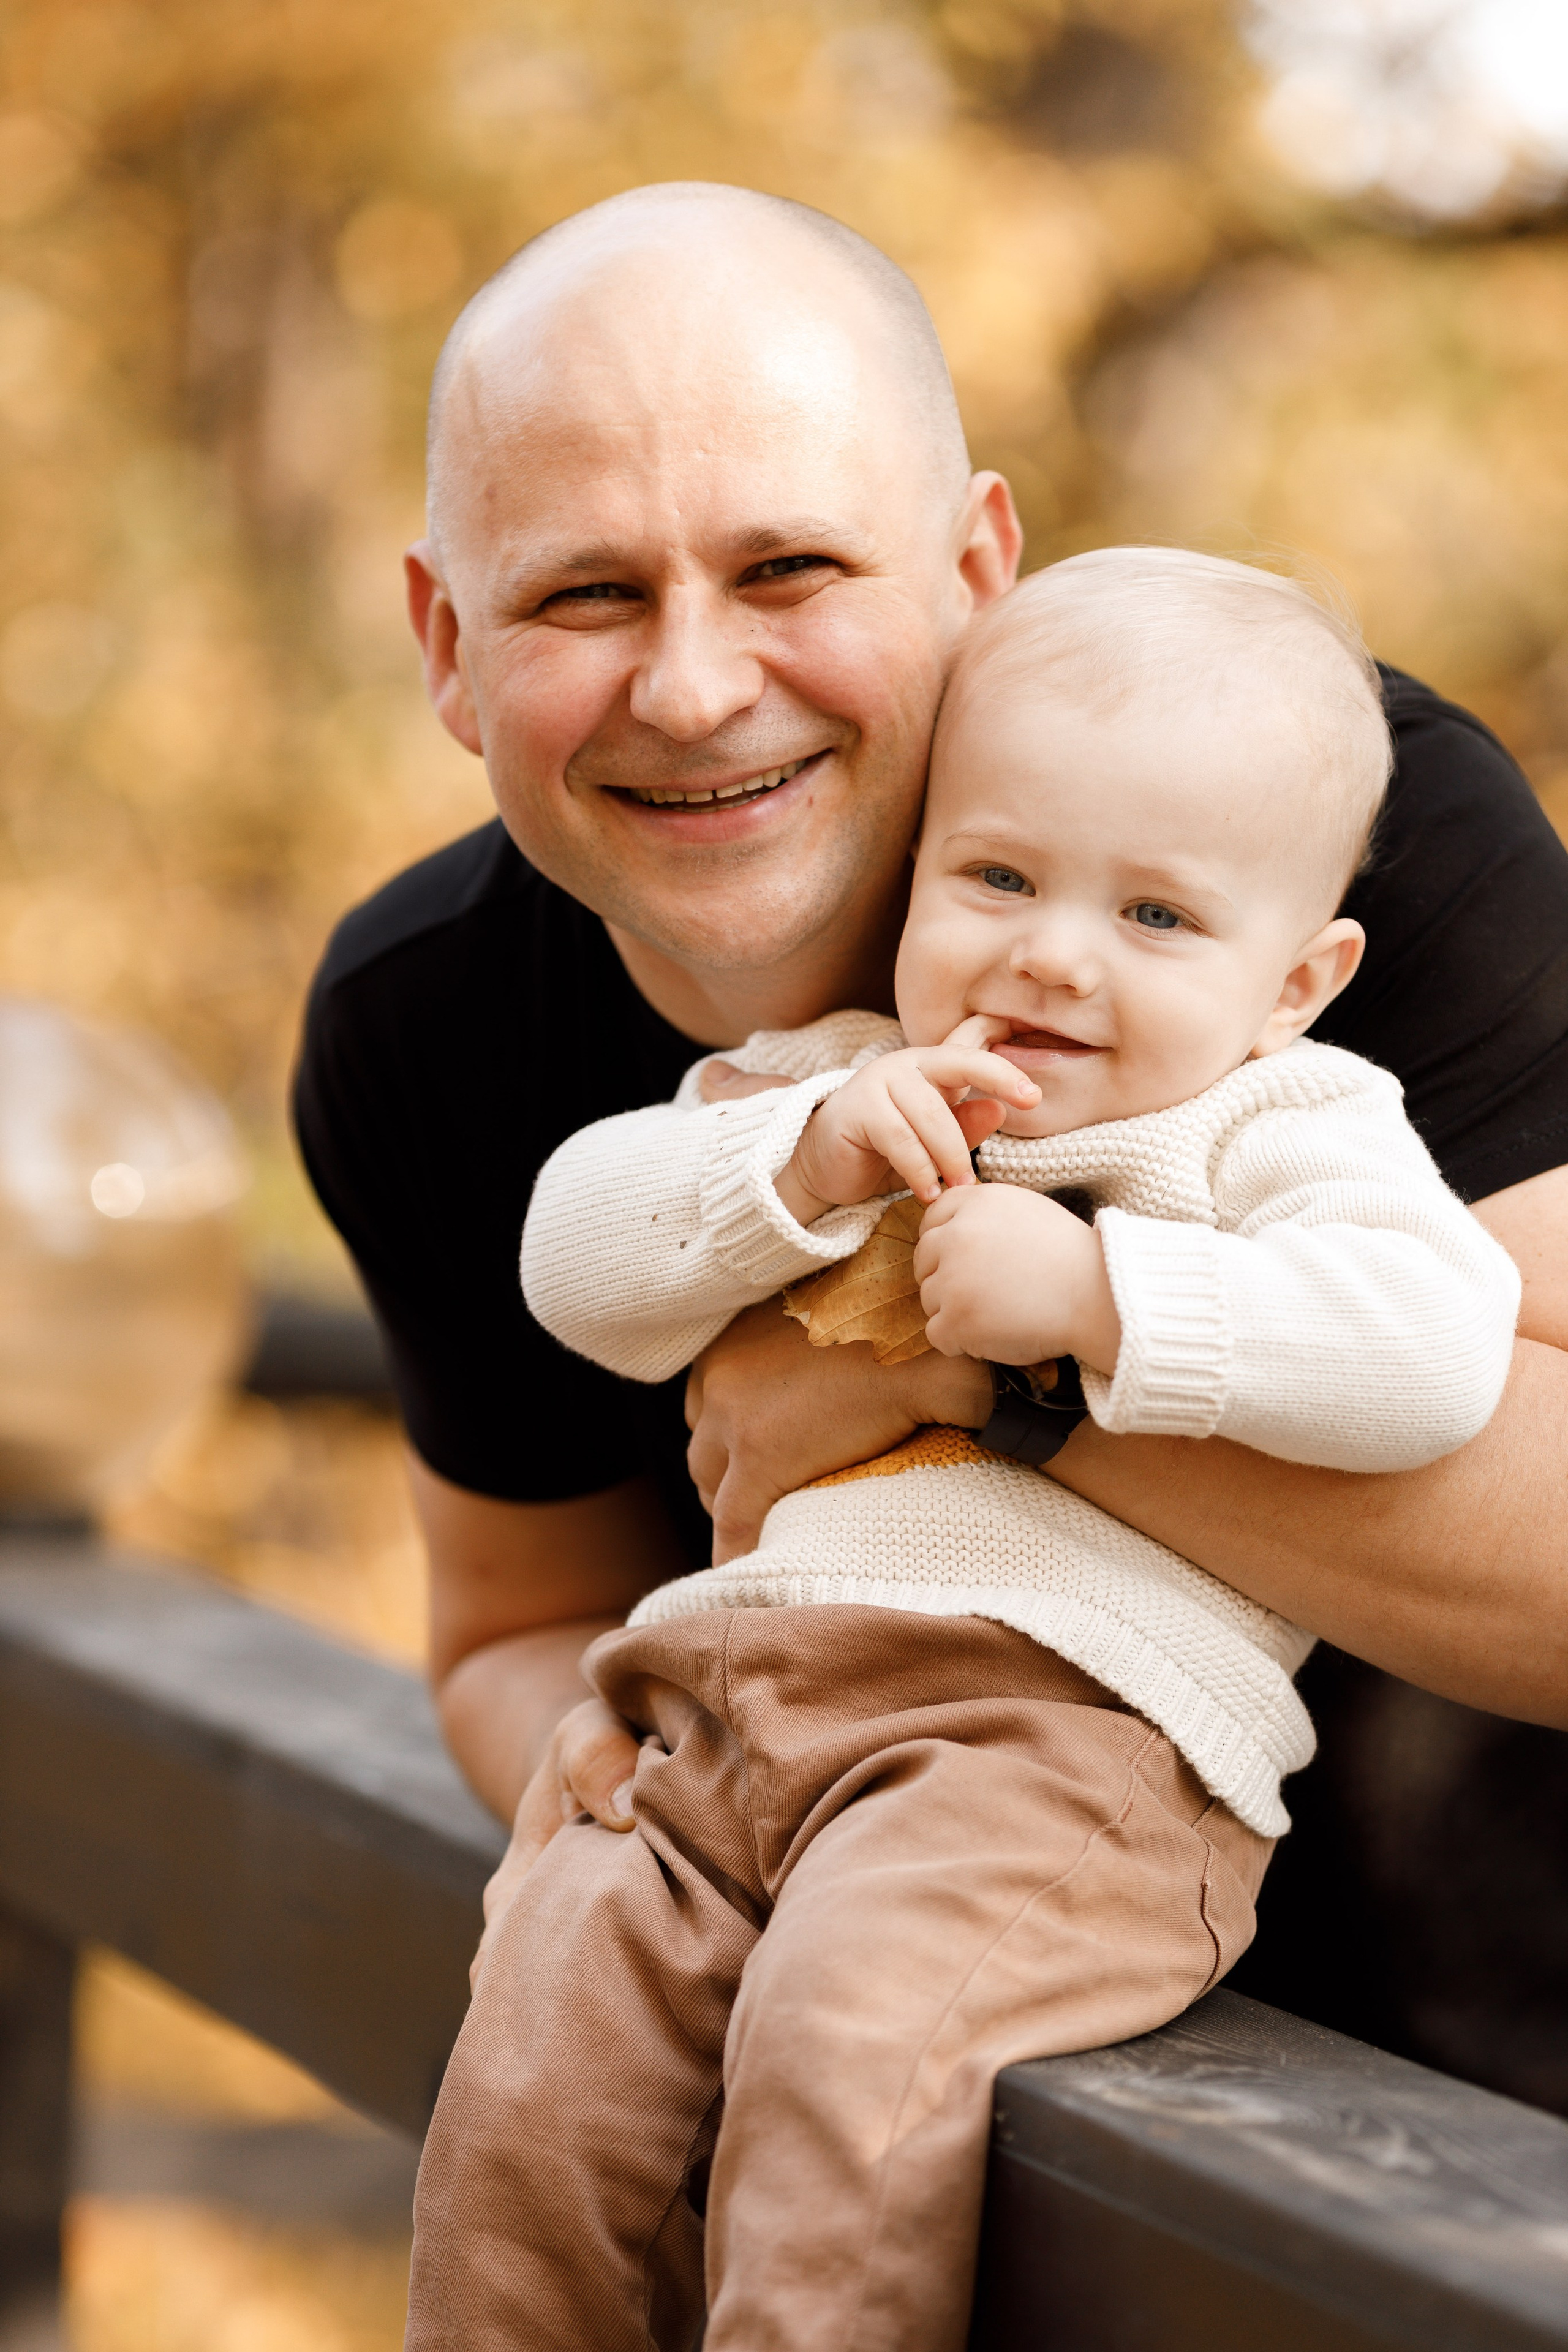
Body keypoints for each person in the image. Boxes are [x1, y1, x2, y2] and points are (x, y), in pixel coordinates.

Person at [290, 164, 1568, 2269]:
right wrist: (676, 1866)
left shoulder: (1300, 832)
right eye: (584, 596)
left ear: (977, 563)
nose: (695, 688)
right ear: (446, 644)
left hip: (1455, 2156)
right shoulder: (420, 1026)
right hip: (814, 2100)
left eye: (788, 564)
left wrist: (972, 1371)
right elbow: (518, 1628)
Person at [403, 549, 1522, 2345]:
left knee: (852, 2059)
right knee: (531, 2083)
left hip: (1042, 1745)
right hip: (716, 1725)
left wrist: (1109, 1303)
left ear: (1298, 978)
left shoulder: (1276, 1128)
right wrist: (805, 1158)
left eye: (1157, 919)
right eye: (995, 875)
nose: (1052, 955)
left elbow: (1436, 1352)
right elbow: (575, 1265)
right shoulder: (840, 1076)